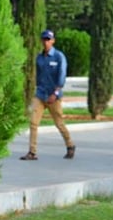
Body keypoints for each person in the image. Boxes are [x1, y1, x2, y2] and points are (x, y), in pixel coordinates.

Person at [20, 29, 75, 161]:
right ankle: (32, 152)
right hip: (40, 94)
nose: (46, 42)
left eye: (48, 39)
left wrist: (55, 93)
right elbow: (39, 76)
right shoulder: (39, 58)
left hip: (53, 96)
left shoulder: (59, 56)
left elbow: (61, 77)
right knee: (33, 122)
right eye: (44, 39)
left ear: (53, 41)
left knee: (59, 123)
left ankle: (70, 145)